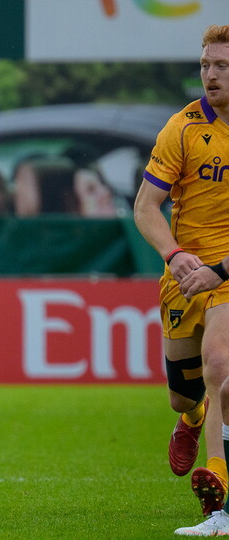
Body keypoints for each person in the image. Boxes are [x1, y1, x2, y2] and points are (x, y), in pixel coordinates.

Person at [132, 24, 229, 536]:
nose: (210, 75)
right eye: (205, 65)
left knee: (220, 367)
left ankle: (218, 494)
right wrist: (173, 254)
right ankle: (191, 421)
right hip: (185, 274)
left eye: (222, 66)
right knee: (182, 395)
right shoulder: (184, 128)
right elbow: (145, 207)